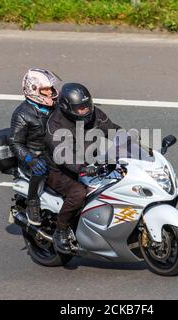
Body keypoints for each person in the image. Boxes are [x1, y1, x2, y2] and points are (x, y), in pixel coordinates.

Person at [45, 83, 121, 253]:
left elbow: (112, 129)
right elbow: (63, 155)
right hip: (58, 169)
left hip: (89, 162)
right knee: (78, 193)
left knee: (117, 180)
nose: (85, 111)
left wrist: (134, 143)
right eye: (80, 108)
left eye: (87, 106)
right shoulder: (56, 125)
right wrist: (82, 168)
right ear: (67, 107)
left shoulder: (93, 114)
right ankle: (61, 230)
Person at [9, 68, 61, 226]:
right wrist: (30, 160)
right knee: (41, 167)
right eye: (45, 90)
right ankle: (33, 202)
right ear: (33, 90)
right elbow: (15, 142)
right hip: (35, 155)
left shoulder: (54, 106)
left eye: (50, 88)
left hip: (55, 149)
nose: (50, 92)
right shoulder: (22, 114)